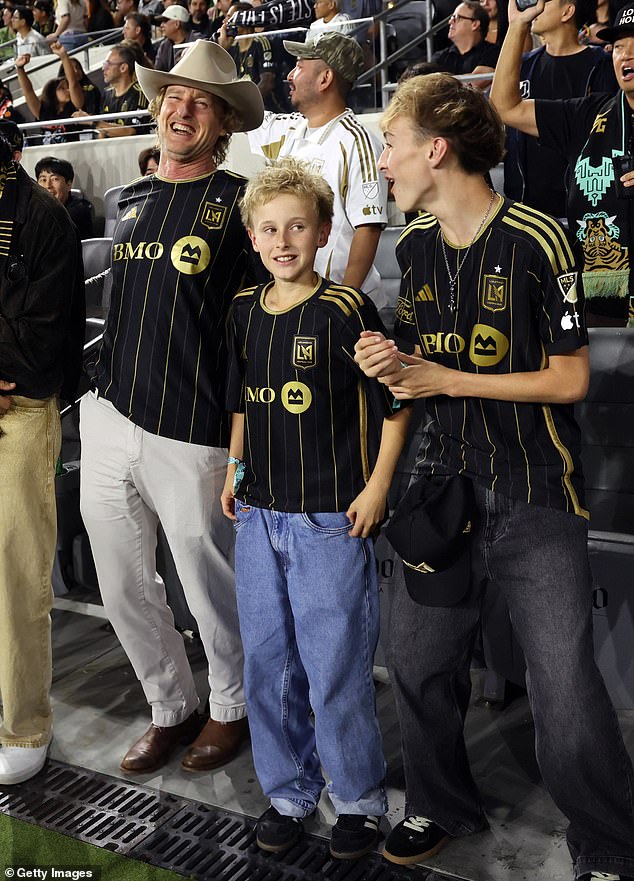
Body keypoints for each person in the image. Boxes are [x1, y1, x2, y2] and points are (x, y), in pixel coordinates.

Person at [353, 72, 634, 880]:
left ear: (436, 150)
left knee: (564, 688)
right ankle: (441, 803)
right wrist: (392, 364)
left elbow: (570, 379)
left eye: (392, 146)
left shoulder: (540, 238)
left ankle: (609, 843)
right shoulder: (413, 246)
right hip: (443, 484)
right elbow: (416, 372)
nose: (383, 164)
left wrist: (445, 377)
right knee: (417, 661)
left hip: (535, 488)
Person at [79, 39, 264, 776]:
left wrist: (242, 440)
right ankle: (170, 706)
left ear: (224, 123)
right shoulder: (127, 200)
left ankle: (232, 707)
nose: (181, 110)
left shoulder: (244, 203)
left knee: (208, 586)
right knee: (122, 583)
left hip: (193, 424)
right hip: (109, 413)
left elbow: (257, 327)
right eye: (173, 97)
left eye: (201, 102)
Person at [223, 156, 410, 861]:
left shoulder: (345, 310)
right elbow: (242, 402)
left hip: (328, 519)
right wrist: (235, 468)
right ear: (252, 238)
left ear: (324, 231)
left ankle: (356, 799)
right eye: (269, 229)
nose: (283, 241)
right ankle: (288, 792)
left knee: (334, 667)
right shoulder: (243, 310)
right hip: (258, 517)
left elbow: (397, 402)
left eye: (297, 226)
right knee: (268, 663)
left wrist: (377, 486)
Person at [0, 121, 84, 786]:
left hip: (20, 410)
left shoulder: (42, 218)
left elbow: (40, 346)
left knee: (15, 575)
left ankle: (24, 725)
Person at [490, 0, 634, 326]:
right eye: (619, 47)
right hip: (601, 291)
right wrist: (517, 26)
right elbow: (505, 107)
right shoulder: (590, 113)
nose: (626, 55)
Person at [248, 32, 388, 302]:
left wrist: (345, 301)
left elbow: (368, 228)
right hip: (296, 300)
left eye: (299, 66)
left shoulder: (358, 142)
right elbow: (243, 114)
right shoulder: (290, 128)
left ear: (325, 79)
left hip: (340, 301)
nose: (289, 75)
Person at [502, 0, 617, 220]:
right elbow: (498, 110)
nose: (536, 5)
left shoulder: (603, 65)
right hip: (527, 211)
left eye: (545, 1)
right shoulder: (523, 65)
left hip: (585, 212)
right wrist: (516, 26)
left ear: (568, 11)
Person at [73, 43, 150, 137]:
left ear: (123, 68)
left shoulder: (139, 93)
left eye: (108, 64)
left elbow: (130, 131)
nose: (103, 68)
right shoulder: (107, 93)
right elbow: (103, 130)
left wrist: (93, 121)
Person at [431, 0, 500, 76]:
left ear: (475, 24)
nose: (450, 21)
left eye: (457, 17)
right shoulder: (440, 57)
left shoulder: (493, 53)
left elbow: (476, 81)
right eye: (452, 17)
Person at [35, 155, 94, 238]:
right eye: (43, 180)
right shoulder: (34, 210)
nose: (48, 185)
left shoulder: (79, 210)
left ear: (69, 184)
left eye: (54, 179)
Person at [154, 5, 193, 71]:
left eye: (165, 21)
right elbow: (158, 72)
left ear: (177, 24)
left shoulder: (196, 42)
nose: (161, 25)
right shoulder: (164, 46)